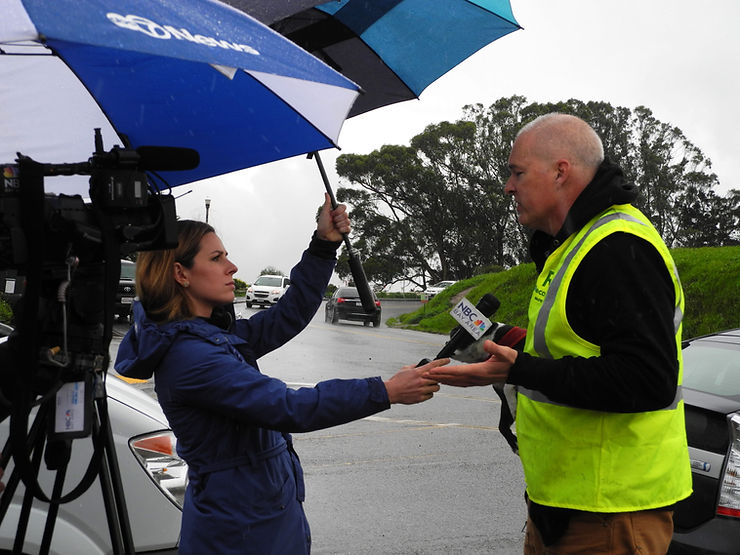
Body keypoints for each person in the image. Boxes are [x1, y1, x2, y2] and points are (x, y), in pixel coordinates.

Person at [114, 194, 445, 554]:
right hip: (240, 532)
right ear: (181, 273)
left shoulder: (213, 336)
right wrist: (386, 390)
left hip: (259, 518)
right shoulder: (191, 357)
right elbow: (291, 407)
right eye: (216, 258)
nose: (232, 267)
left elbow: (289, 313)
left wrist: (323, 246)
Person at [425, 114, 692, 554]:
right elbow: (577, 346)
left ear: (560, 171)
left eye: (517, 172)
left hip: (610, 515)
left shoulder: (616, 248)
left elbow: (648, 379)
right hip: (564, 507)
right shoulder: (573, 243)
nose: (508, 187)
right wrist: (505, 343)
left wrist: (522, 370)